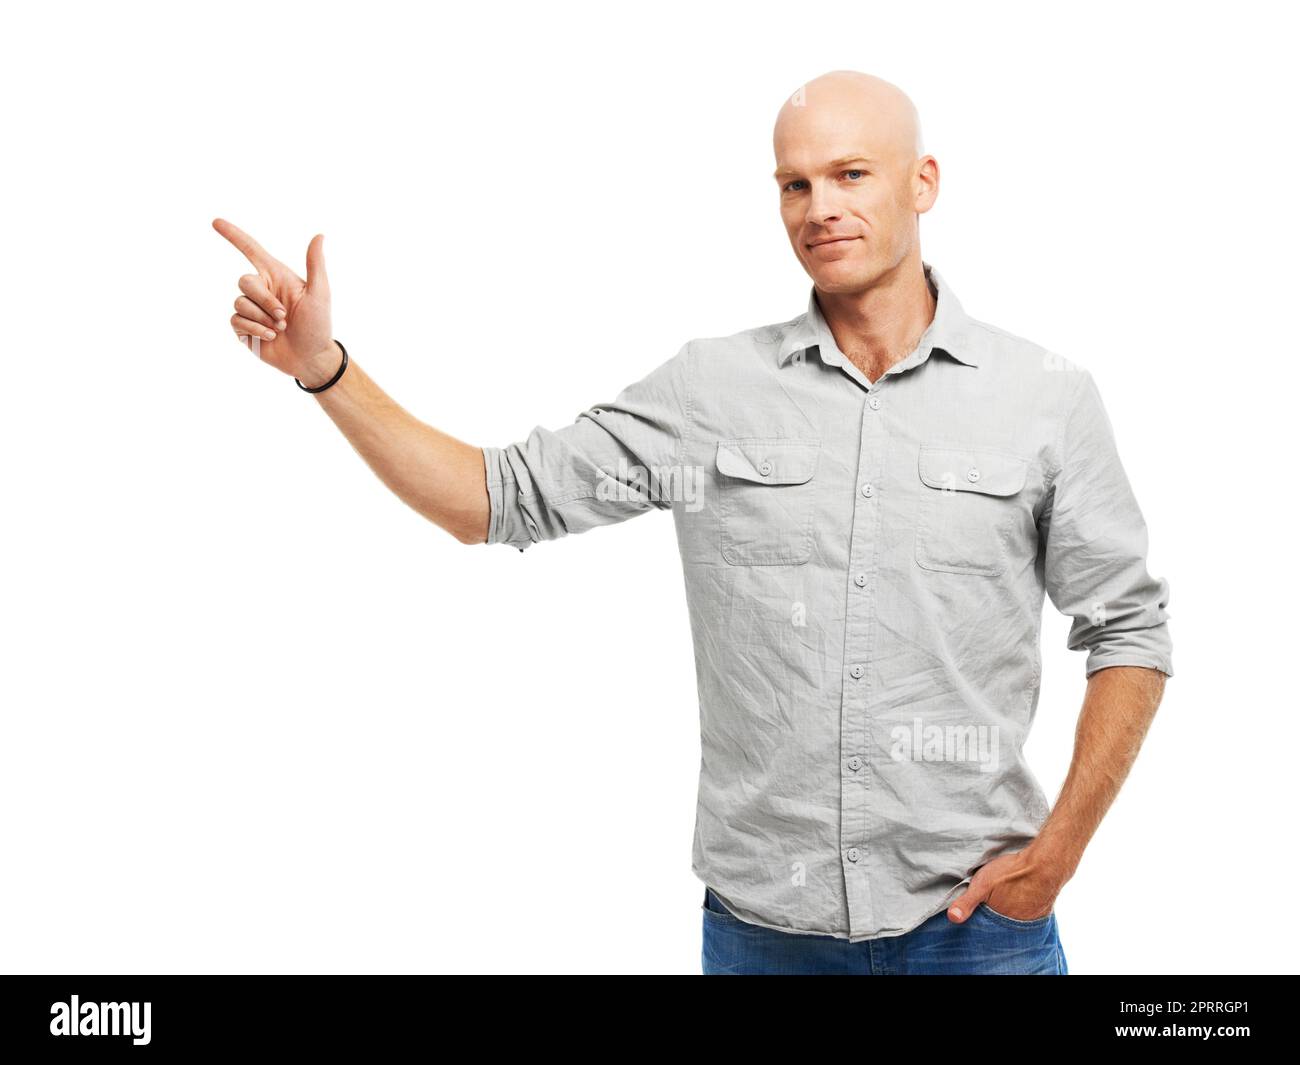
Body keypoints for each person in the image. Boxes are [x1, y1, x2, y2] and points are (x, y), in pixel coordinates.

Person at [213, 69, 1172, 975]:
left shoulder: (1043, 398)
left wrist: (1060, 854)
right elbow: (495, 498)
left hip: (980, 931)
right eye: (794, 184)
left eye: (849, 174)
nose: (819, 207)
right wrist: (325, 368)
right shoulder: (712, 391)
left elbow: (1129, 631)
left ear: (922, 183)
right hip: (765, 939)